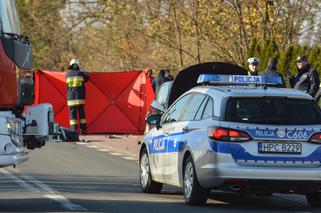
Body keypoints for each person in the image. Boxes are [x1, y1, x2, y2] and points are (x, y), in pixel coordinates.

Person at [66, 59, 90, 134]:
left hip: (71, 100)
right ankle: (84, 130)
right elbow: (87, 77)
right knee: (82, 116)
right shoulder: (81, 73)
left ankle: (73, 131)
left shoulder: (67, 74)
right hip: (80, 99)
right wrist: (82, 71)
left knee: (72, 117)